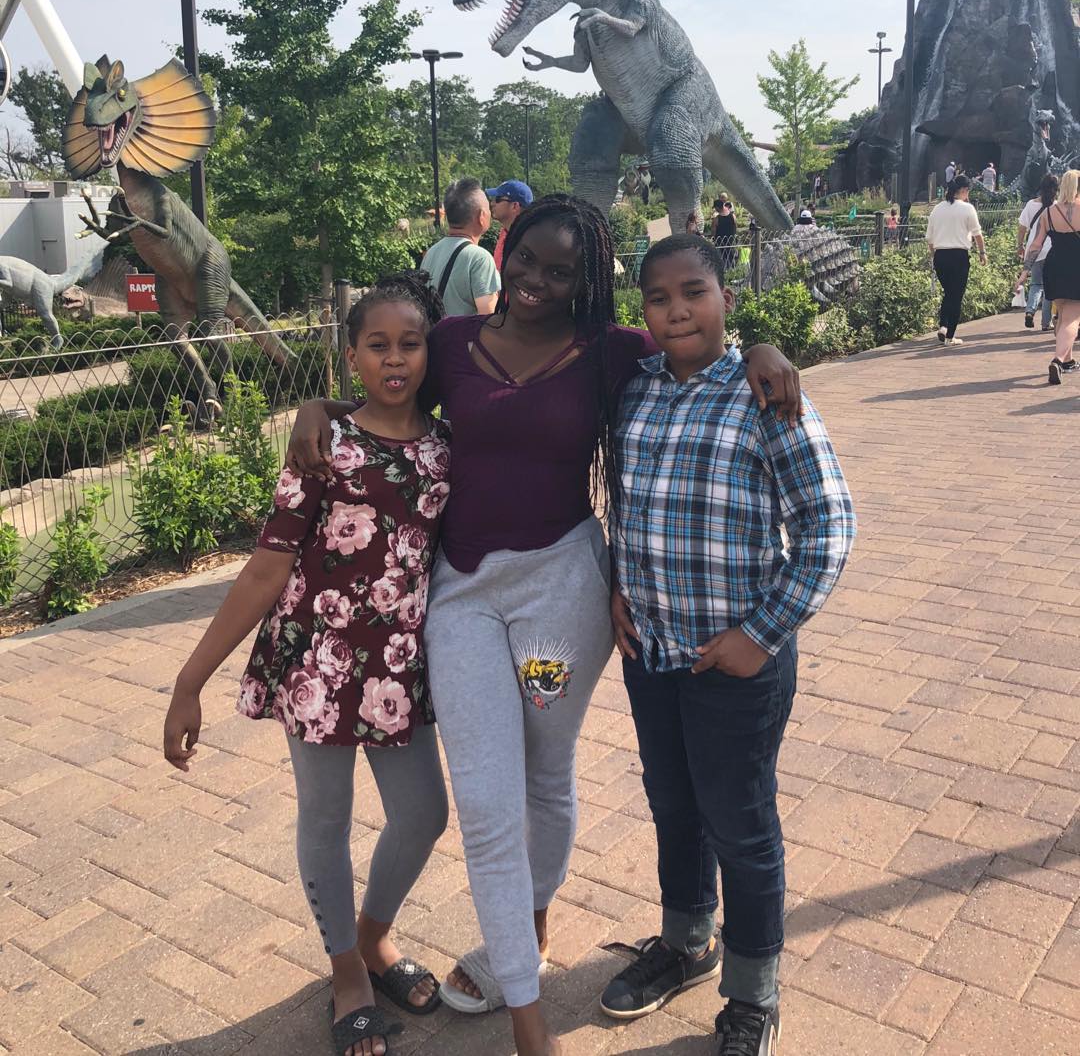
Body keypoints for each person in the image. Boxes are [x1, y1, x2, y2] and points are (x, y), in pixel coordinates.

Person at [284, 195, 802, 1056]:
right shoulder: (454, 342)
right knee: (486, 802)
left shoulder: (610, 352)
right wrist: (320, 408)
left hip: (560, 600)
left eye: (561, 271)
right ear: (505, 247)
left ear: (585, 279)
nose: (535, 279)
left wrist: (760, 349)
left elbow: (695, 341)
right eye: (525, 258)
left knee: (545, 775)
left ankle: (526, 924)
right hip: (463, 600)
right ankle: (529, 1017)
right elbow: (388, 400)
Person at [163, 272, 452, 1056]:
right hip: (314, 665)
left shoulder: (446, 447)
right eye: (377, 345)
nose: (395, 359)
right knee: (326, 817)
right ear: (350, 355)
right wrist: (189, 681)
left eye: (410, 343)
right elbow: (266, 568)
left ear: (431, 351)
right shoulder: (323, 448)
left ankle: (373, 935)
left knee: (423, 815)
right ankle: (346, 970)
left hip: (397, 669)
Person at [601, 235, 854, 1054]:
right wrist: (616, 587)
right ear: (643, 312)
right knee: (673, 805)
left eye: (694, 292)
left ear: (727, 300)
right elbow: (625, 505)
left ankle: (753, 994)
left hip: (736, 664)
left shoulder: (764, 392)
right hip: (652, 654)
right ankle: (687, 942)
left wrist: (761, 634)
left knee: (740, 823)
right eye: (659, 298)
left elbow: (828, 526)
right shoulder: (635, 392)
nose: (676, 310)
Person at [1020, 168, 1080, 384]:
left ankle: (1068, 360)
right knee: (1072, 318)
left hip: (1054, 266)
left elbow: (1035, 245)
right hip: (1076, 267)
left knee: (1062, 314)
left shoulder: (1049, 213)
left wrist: (1025, 271)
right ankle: (1058, 360)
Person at [419, 178, 500, 317]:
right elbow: (488, 318)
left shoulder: (431, 252)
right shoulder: (480, 258)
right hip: (464, 332)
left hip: (434, 331)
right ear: (481, 216)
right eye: (488, 208)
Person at [926, 176, 986, 345]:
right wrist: (982, 253)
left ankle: (943, 326)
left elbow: (929, 238)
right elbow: (977, 234)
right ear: (964, 190)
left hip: (940, 256)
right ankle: (950, 336)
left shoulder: (937, 209)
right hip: (959, 256)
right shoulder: (967, 208)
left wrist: (934, 255)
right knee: (956, 296)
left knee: (949, 293)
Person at [1017, 174, 1058, 331]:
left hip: (1034, 250)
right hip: (1051, 251)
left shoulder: (1030, 204)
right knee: (1049, 288)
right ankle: (1045, 323)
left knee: (1036, 284)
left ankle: (1030, 311)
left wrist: (1020, 245)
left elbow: (1022, 227)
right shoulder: (1056, 206)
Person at [487, 179, 533, 270]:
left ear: (515, 206)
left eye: (498, 199)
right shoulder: (504, 232)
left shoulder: (527, 239)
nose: (492, 203)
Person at [711, 196, 738, 270]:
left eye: (715, 208)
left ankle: (724, 273)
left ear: (717, 207)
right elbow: (735, 227)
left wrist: (713, 239)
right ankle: (733, 273)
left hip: (720, 244)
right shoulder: (733, 216)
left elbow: (713, 232)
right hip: (731, 242)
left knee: (721, 262)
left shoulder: (716, 219)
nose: (715, 209)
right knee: (732, 261)